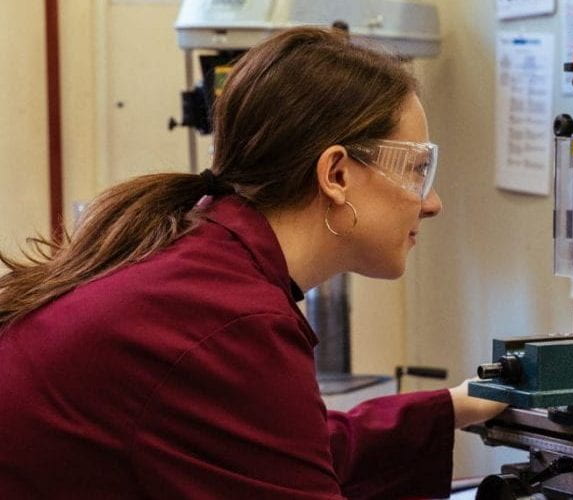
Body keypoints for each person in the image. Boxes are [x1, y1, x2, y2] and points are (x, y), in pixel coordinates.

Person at [0, 27, 505, 499]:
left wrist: (458, 403)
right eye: (418, 170)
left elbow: (274, 449)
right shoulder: (231, 319)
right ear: (336, 174)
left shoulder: (201, 258)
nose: (431, 202)